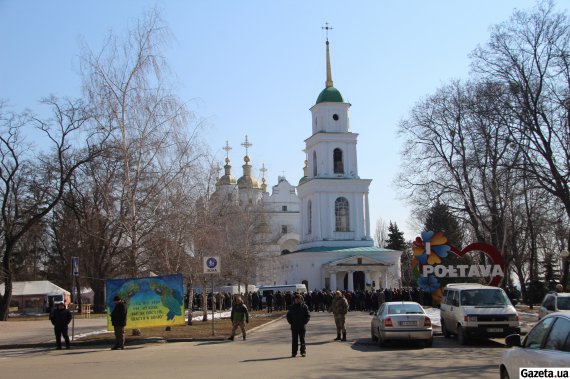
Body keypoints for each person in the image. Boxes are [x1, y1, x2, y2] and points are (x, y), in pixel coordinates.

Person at [286, 293, 310, 357]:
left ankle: (303, 352)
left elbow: (308, 315)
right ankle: (294, 352)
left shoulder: (304, 306)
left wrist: (305, 322)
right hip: (294, 326)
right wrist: (291, 322)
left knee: (302, 340)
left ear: (300, 299)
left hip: (302, 326)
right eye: (296, 299)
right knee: (294, 340)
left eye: (298, 299)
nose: (297, 300)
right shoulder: (291, 307)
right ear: (294, 300)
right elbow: (288, 316)